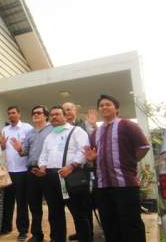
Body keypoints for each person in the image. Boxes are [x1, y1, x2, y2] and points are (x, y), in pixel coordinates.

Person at [84, 95, 150, 242]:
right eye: (101, 105)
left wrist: (129, 162)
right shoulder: (96, 132)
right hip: (102, 186)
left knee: (131, 222)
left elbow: (143, 147)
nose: (104, 107)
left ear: (116, 108)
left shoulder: (127, 125)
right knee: (109, 224)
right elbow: (94, 153)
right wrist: (93, 159)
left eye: (108, 104)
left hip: (125, 184)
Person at [38, 106, 91, 242]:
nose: (54, 117)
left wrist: (72, 166)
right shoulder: (49, 136)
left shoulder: (76, 131)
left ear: (65, 116)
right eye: (52, 115)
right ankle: (57, 239)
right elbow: (44, 155)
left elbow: (83, 151)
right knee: (54, 213)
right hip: (51, 178)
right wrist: (42, 167)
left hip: (70, 176)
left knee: (79, 213)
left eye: (57, 114)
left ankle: (85, 239)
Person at [15, 105, 53, 242]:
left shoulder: (52, 129)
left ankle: (55, 236)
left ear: (46, 115)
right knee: (34, 205)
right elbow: (24, 152)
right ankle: (37, 235)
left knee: (53, 205)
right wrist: (19, 149)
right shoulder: (30, 132)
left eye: (39, 113)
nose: (35, 115)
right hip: (31, 171)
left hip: (48, 171)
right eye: (33, 113)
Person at [62, 102, 97, 241]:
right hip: (67, 172)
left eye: (69, 109)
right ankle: (81, 232)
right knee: (74, 205)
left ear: (75, 110)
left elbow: (93, 139)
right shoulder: (60, 128)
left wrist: (93, 126)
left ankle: (89, 235)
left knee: (85, 205)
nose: (67, 112)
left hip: (84, 170)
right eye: (64, 110)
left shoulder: (83, 125)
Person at [0, 106, 33, 242]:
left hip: (22, 171)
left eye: (13, 113)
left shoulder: (27, 128)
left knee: (21, 203)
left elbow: (31, 147)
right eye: (9, 113)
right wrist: (2, 145)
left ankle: (23, 231)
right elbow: (4, 149)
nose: (11, 115)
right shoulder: (5, 130)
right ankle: (6, 227)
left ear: (19, 114)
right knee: (7, 202)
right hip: (8, 171)